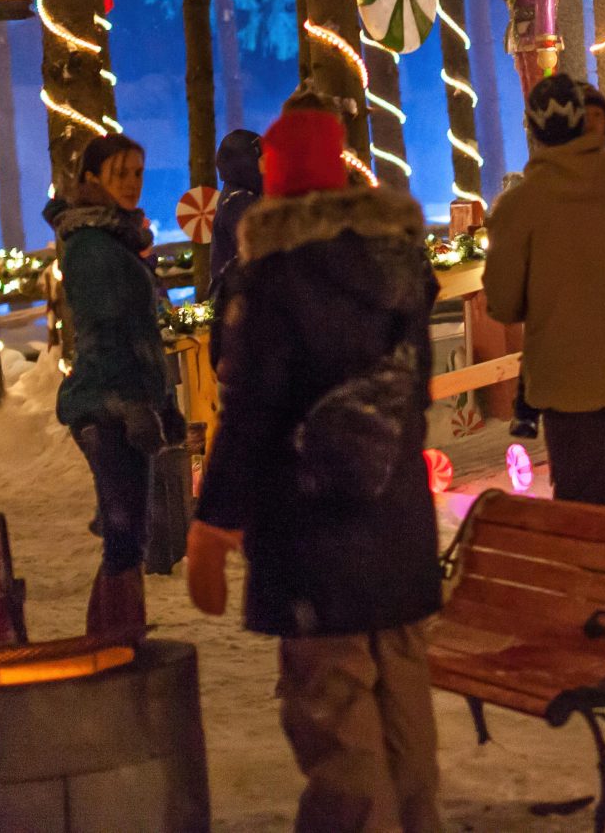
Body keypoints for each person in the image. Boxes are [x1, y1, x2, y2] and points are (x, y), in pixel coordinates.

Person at [189, 99, 442, 833]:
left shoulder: (277, 280)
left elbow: (252, 415)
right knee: (404, 720)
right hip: (396, 528)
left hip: (315, 542)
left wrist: (214, 525)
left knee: (339, 728)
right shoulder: (399, 271)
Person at [487, 74, 605, 510]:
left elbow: (503, 302)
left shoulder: (521, 206)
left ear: (532, 130)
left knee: (585, 511)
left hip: (571, 378)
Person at [47, 131, 168, 645]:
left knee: (127, 533)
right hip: (106, 404)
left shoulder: (112, 238)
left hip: (118, 399)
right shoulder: (94, 247)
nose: (133, 184)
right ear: (92, 179)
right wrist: (131, 404)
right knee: (124, 535)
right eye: (121, 173)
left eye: (138, 173)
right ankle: (116, 644)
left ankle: (117, 638)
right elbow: (109, 334)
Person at [208, 128, 263, 302]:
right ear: (246, 163)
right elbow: (257, 251)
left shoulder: (237, 196)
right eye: (261, 159)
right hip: (240, 299)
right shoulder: (240, 202)